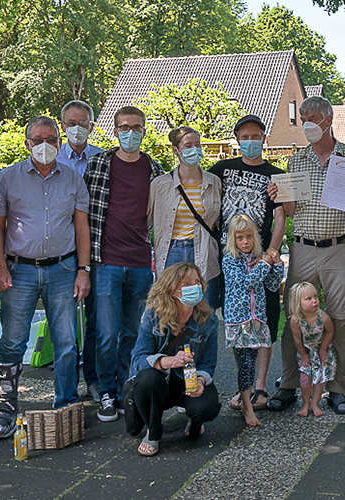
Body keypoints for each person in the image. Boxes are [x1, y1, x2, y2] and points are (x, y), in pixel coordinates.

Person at [0, 116, 91, 439]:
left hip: (63, 269)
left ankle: (65, 405)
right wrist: (0, 267)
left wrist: (83, 270)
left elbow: (82, 227)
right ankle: (3, 408)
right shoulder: (8, 178)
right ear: (27, 143)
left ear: (59, 143)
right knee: (13, 340)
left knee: (67, 342)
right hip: (20, 270)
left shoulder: (73, 179)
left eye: (51, 139)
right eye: (38, 139)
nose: (45, 145)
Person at [266, 96, 345, 415]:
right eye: (302, 117)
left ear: (328, 120)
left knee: (339, 319)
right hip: (304, 248)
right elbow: (293, 211)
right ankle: (288, 385)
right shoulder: (296, 161)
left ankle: (337, 389)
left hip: (340, 247)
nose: (307, 123)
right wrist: (279, 199)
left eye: (311, 117)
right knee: (294, 318)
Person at [83, 105, 165, 422]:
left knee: (134, 333)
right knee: (106, 333)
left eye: (136, 127)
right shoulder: (99, 164)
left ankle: (125, 389)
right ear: (115, 130)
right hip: (106, 263)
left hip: (142, 264)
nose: (130, 132)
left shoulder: (155, 170)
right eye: (124, 127)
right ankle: (106, 392)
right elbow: (84, 214)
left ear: (144, 130)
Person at [209, 115, 286, 411]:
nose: (250, 141)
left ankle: (260, 388)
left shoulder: (276, 174)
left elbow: (283, 214)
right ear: (237, 139)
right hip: (230, 257)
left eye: (256, 136)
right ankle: (242, 388)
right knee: (238, 320)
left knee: (264, 319)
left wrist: (271, 252)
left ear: (264, 138)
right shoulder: (221, 169)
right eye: (245, 136)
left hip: (261, 256)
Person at [128, 262, 221, 457]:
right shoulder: (153, 316)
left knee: (208, 406)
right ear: (172, 290)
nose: (194, 287)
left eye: (197, 282)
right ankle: (153, 431)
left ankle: (196, 422)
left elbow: (208, 364)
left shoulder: (209, 320)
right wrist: (166, 362)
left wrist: (201, 381)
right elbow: (137, 359)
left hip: (186, 382)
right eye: (186, 284)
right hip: (157, 384)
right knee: (146, 380)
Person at [57, 99, 106, 403]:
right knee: (63, 322)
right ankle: (65, 385)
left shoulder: (102, 158)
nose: (77, 128)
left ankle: (94, 379)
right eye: (71, 123)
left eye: (83, 123)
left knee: (97, 319)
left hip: (96, 248)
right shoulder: (50, 159)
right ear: (62, 125)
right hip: (61, 249)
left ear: (91, 125)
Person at [149, 127, 222, 308]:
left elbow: (220, 221)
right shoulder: (160, 184)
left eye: (197, 145)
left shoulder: (214, 182)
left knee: (205, 308)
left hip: (204, 249)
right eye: (188, 145)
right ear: (176, 150)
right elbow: (147, 220)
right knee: (171, 309)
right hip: (172, 250)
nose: (194, 149)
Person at [221, 215, 284, 426]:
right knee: (245, 365)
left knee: (250, 364)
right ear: (233, 239)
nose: (245, 242)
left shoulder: (258, 258)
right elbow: (247, 282)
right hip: (239, 321)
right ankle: (246, 406)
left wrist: (276, 264)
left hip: (257, 321)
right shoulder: (230, 260)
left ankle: (246, 399)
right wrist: (265, 263)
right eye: (240, 238)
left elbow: (274, 285)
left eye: (248, 237)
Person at [288, 282, 335, 418]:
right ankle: (305, 403)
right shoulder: (296, 320)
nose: (314, 300)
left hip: (322, 351)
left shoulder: (323, 317)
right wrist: (303, 354)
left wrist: (323, 349)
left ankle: (315, 403)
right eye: (308, 299)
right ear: (298, 303)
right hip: (307, 352)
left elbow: (330, 332)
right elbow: (297, 338)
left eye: (315, 296)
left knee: (320, 379)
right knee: (305, 378)